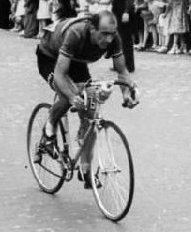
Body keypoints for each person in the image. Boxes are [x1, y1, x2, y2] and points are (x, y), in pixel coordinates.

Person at [34, 11, 138, 188]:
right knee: (69, 96)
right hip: (50, 57)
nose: (108, 39)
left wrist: (127, 92)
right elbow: (60, 75)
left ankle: (85, 168)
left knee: (90, 110)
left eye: (112, 34)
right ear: (92, 28)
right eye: (103, 34)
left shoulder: (114, 38)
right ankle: (49, 129)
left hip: (76, 59)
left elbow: (122, 71)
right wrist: (72, 97)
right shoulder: (76, 33)